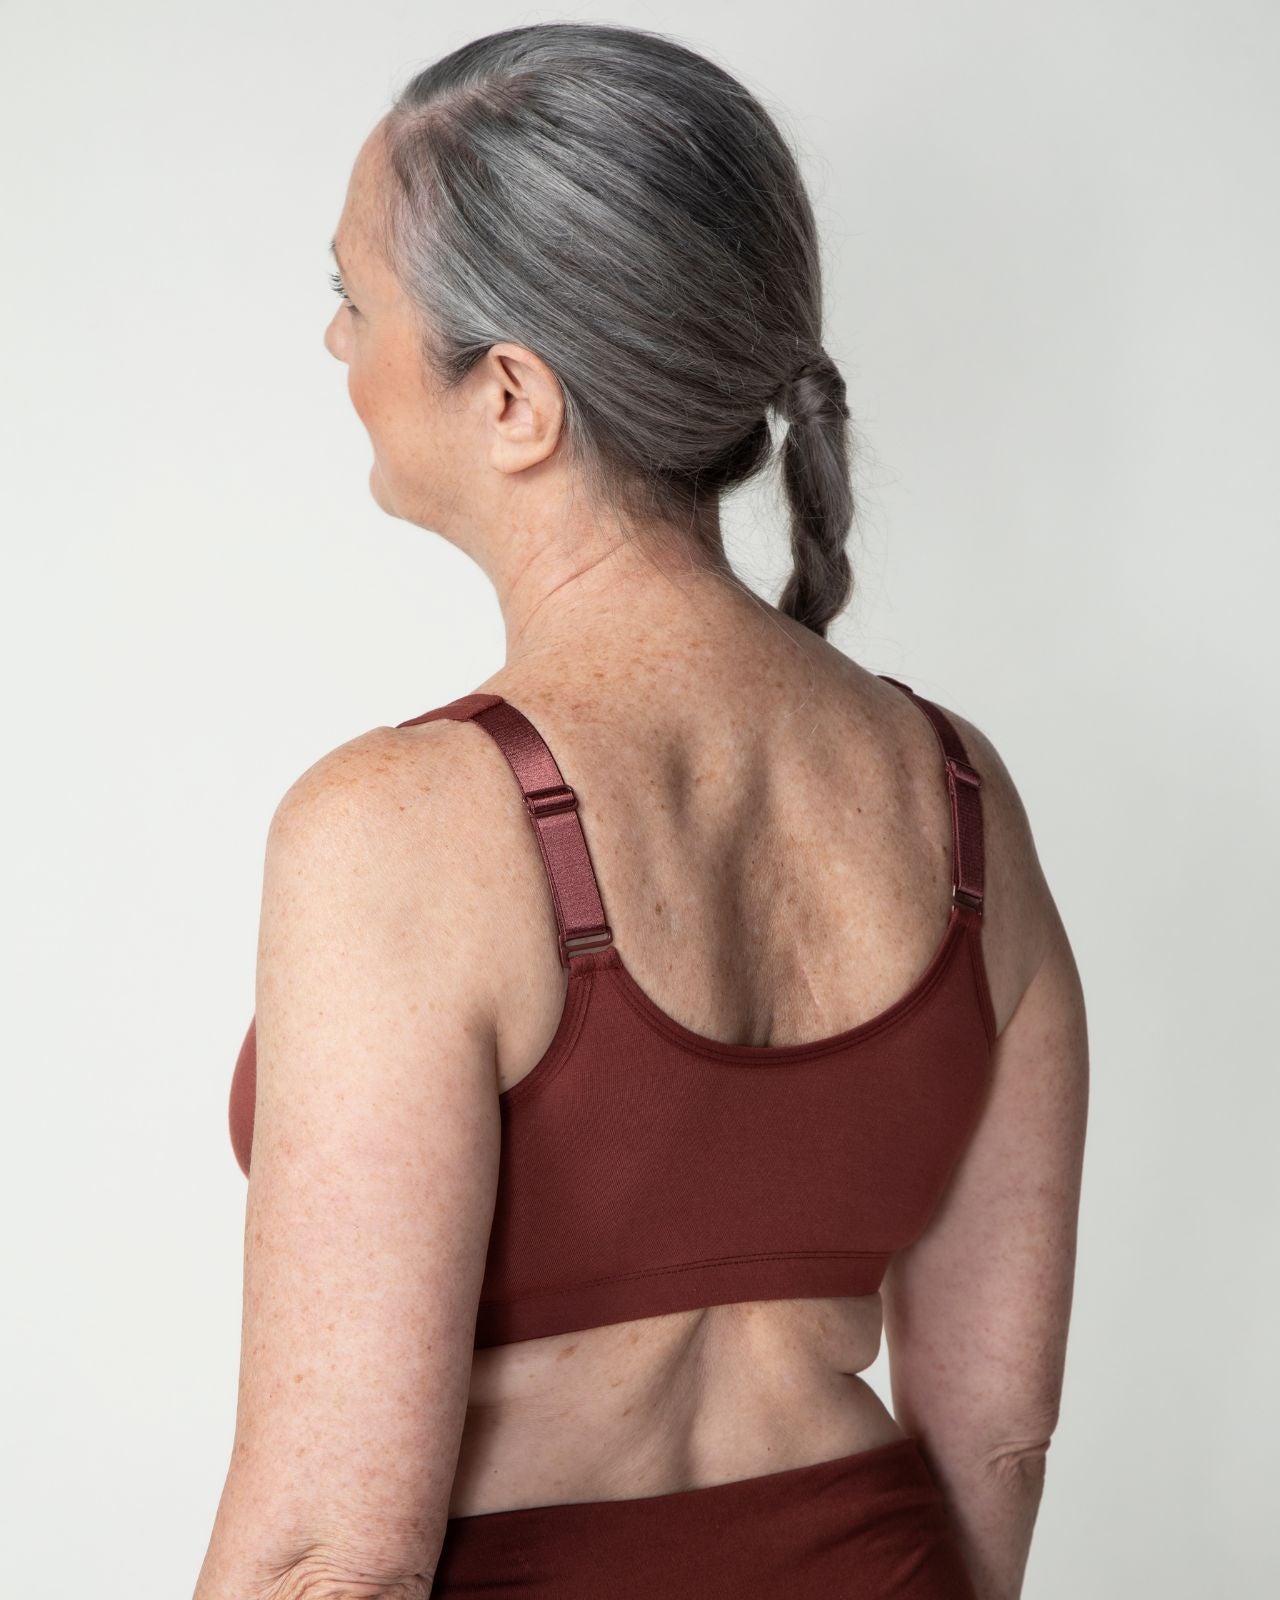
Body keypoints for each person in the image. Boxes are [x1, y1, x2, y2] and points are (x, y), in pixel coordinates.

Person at [198, 22, 1088, 1600]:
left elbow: (327, 1555)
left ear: (515, 399)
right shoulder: (962, 799)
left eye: (355, 295)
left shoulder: (396, 826)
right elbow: (1001, 1440)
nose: (337, 343)